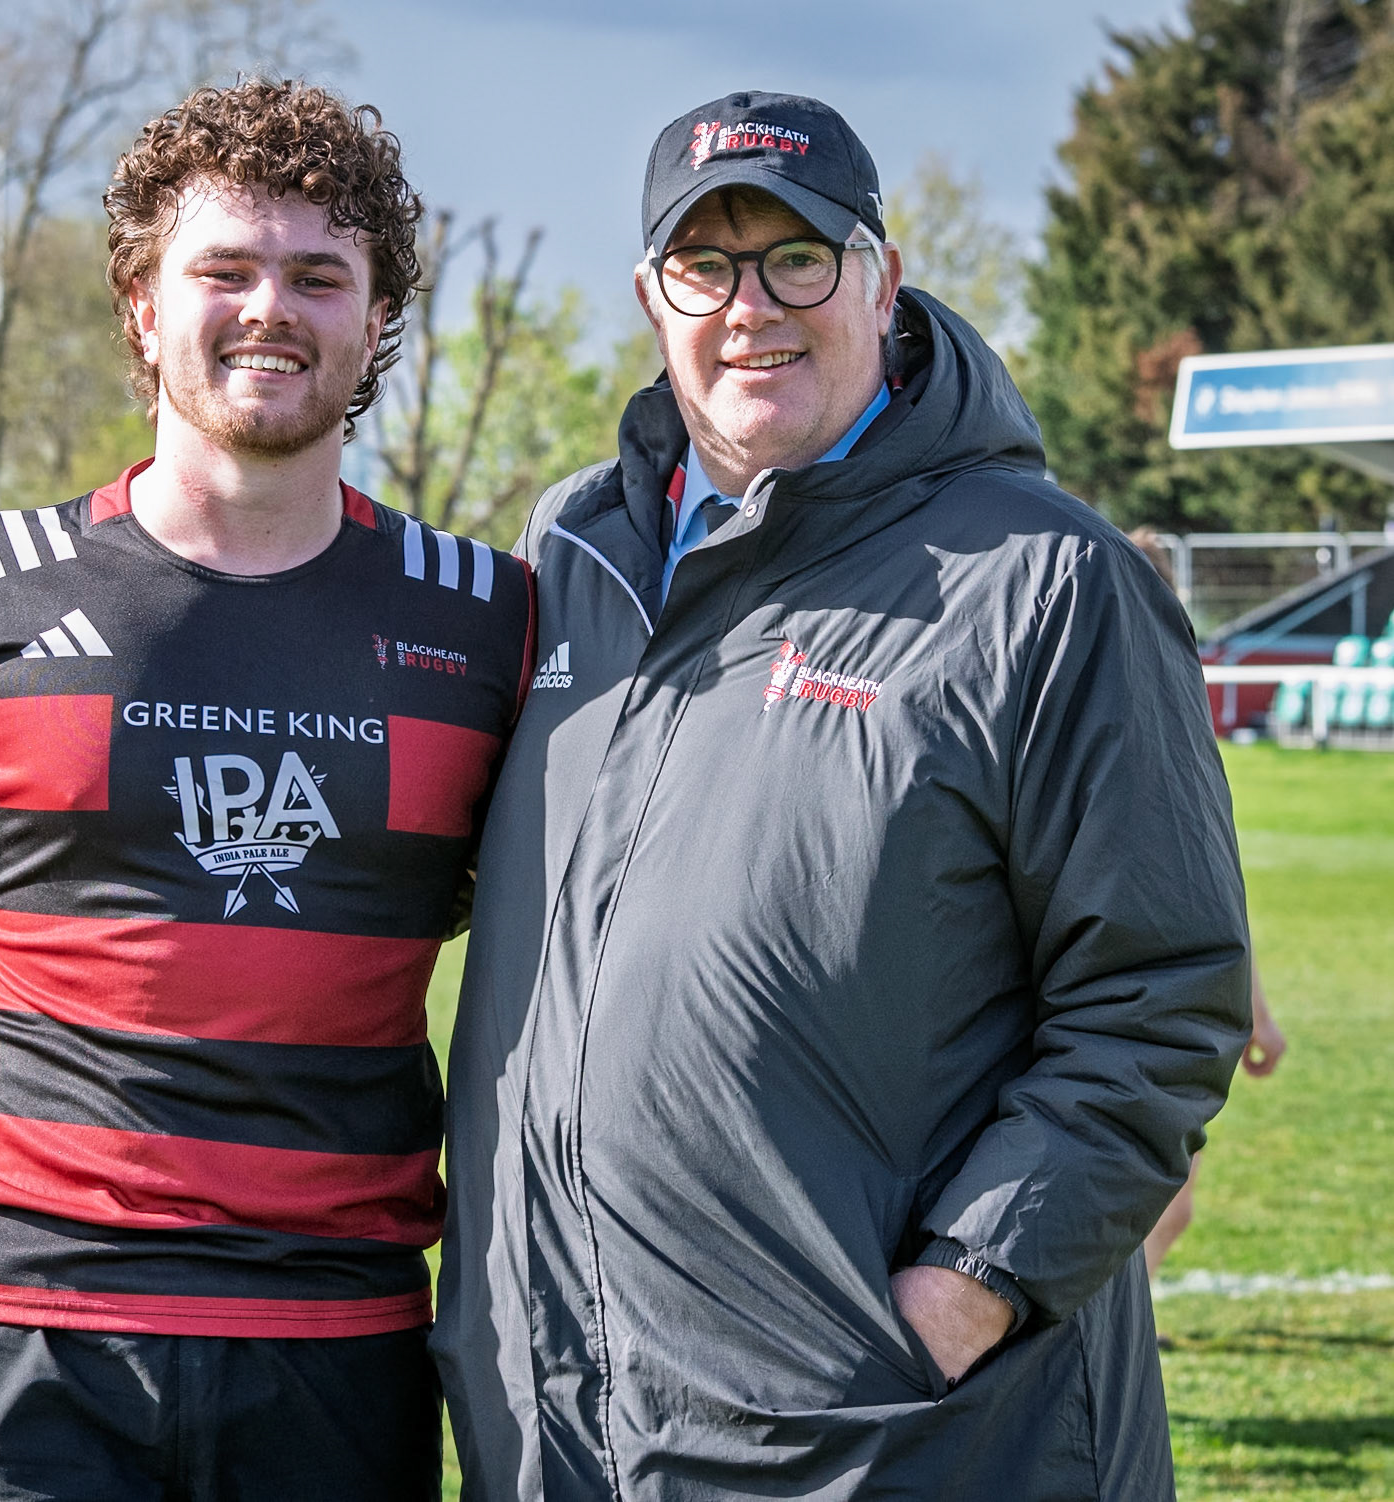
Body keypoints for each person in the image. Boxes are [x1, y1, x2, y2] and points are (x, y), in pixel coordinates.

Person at [0, 79, 534, 1500]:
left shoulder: (485, 622)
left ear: (377, 317)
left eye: (320, 275)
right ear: (142, 303)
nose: (272, 306)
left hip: (337, 1332)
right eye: (225, 269)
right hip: (15, 1325)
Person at [431, 91, 1253, 1499]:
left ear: (878, 275)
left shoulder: (1044, 583)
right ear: (650, 297)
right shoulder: (570, 556)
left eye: (796, 258)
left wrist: (952, 1303)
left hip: (892, 1442)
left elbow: (1156, 1001)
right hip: (560, 1425)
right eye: (705, 265)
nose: (750, 306)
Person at [1145, 966, 1287, 1277]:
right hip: (1154, 1014)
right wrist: (1258, 1015)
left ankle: (1127, 1320)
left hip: (1161, 1011)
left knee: (1168, 1207)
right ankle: (1124, 1323)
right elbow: (1230, 921)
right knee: (1166, 1205)